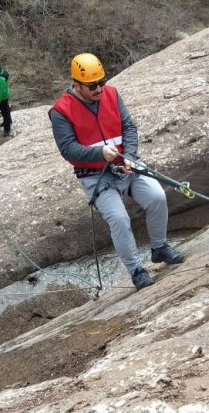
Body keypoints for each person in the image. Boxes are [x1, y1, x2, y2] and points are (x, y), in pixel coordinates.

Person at [49, 53, 184, 290]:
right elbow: (68, 149)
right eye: (92, 86)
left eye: (102, 82)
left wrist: (130, 156)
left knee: (157, 197)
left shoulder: (112, 94)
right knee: (120, 220)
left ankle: (159, 248)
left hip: (126, 165)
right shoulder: (62, 111)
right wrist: (100, 154)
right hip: (95, 175)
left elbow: (128, 127)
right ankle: (136, 270)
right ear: (76, 85)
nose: (100, 89)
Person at [0, 61, 12, 136]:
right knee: (5, 110)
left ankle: (7, 129)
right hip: (3, 96)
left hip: (3, 97)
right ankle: (8, 121)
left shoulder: (0, 78)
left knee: (5, 112)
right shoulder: (1, 71)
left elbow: (3, 91)